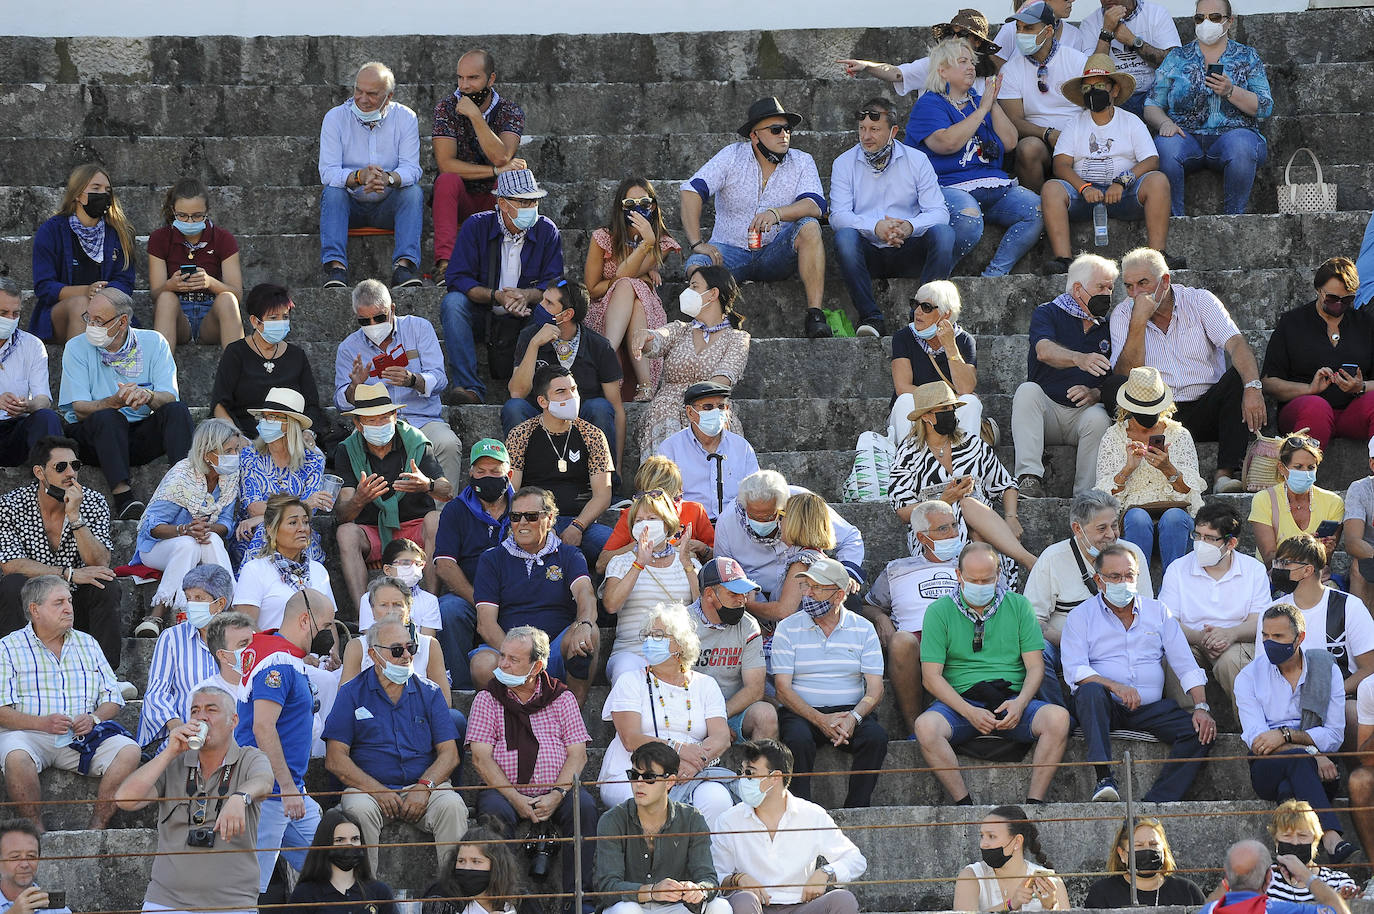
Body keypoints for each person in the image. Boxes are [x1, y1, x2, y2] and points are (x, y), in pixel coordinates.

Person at [1062, 543, 1216, 802]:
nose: (1123, 582)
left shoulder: (1158, 612)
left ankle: (1156, 801)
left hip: (1149, 709)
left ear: (1138, 577)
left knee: (1201, 732)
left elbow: (1185, 663)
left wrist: (1201, 706)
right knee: (1089, 691)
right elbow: (1075, 670)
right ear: (1099, 580)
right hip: (1105, 707)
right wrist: (1115, 686)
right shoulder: (1081, 616)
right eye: (1114, 577)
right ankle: (1103, 778)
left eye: (1129, 575)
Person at [917, 543, 1069, 804]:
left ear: (998, 575)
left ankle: (1034, 803)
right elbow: (931, 677)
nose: (980, 585)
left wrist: (1020, 704)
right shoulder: (938, 611)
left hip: (1011, 700)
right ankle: (963, 804)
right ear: (958, 576)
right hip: (961, 701)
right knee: (925, 727)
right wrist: (968, 711)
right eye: (972, 579)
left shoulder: (1019, 606)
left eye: (986, 579)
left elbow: (1035, 666)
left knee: (1058, 719)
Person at [1109, 246, 1265, 491]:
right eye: (1129, 286)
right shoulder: (1123, 314)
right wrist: (1138, 322)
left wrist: (1254, 387)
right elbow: (1125, 374)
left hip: (1205, 405)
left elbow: (1236, 344)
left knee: (1239, 378)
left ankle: (1224, 474)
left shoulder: (1200, 300)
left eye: (1142, 283)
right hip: (1156, 412)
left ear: (1165, 281)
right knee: (1114, 385)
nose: (1135, 293)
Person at [465, 626, 598, 908]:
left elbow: (578, 754)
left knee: (584, 807)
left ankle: (578, 900)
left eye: (513, 659)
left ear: (536, 666)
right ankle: (505, 900)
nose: (502, 664)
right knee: (494, 816)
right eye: (502, 656)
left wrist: (556, 795)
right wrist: (516, 798)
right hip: (503, 791)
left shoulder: (562, 698)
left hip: (556, 790)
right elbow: (481, 759)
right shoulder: (487, 699)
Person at [324, 616, 468, 874]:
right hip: (368, 789)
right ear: (373, 654)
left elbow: (450, 754)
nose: (406, 656)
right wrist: (377, 790)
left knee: (453, 807)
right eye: (397, 650)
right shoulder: (351, 693)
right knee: (357, 809)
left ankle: (454, 896)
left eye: (410, 648)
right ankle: (365, 896)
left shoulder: (430, 692)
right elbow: (335, 758)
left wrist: (424, 787)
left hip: (422, 785)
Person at [114, 686, 274, 914]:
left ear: (233, 720)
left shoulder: (250, 757)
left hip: (232, 903)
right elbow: (125, 800)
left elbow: (264, 781)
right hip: (166, 900)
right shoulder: (175, 762)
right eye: (195, 711)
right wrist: (169, 752)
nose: (201, 717)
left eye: (211, 710)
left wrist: (239, 797)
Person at [681, 97, 829, 339]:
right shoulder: (732, 156)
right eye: (776, 129)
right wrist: (698, 242)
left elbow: (816, 205)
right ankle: (705, 328)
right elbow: (691, 190)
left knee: (810, 227)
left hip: (776, 252)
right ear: (754, 136)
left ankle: (815, 315)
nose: (784, 135)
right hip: (729, 250)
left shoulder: (802, 160)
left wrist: (777, 213)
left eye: (787, 129)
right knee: (696, 264)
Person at [0, 575, 140, 830]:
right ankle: (36, 833)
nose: (69, 608)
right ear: (35, 610)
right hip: (28, 734)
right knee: (16, 757)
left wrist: (94, 718)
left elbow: (113, 697)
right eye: (59, 602)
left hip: (80, 736)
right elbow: (1, 711)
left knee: (129, 750)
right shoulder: (8, 648)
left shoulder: (88, 643)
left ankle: (97, 826)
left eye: (70, 601)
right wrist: (42, 723)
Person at [906, 41, 1043, 279]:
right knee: (969, 219)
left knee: (1037, 209)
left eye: (972, 62)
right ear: (942, 70)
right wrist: (982, 110)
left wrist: (992, 104)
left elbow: (1010, 142)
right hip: (947, 186)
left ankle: (995, 275)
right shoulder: (929, 103)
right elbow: (946, 143)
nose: (971, 67)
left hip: (992, 184)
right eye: (962, 61)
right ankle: (935, 279)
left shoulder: (980, 101)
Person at [59, 286, 193, 519]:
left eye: (99, 320)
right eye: (88, 318)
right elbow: (79, 408)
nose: (91, 325)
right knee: (109, 416)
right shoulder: (76, 347)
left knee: (177, 411)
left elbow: (170, 396)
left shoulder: (154, 342)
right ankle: (124, 498)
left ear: (122, 322)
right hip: (95, 438)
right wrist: (112, 402)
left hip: (137, 434)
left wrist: (148, 396)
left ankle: (183, 488)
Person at [1235, 604, 1356, 864]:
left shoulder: (1326, 670)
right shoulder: (1248, 677)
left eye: (1278, 637)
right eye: (1265, 636)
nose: (1269, 643)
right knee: (1298, 762)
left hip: (1322, 771)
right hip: (1270, 767)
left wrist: (1286, 736)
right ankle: (1332, 838)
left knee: (1289, 787)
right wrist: (1311, 752)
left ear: (1300, 637)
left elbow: (1334, 735)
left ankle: (1291, 853)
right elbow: (1259, 741)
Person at [237, 587, 336, 893]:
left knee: (333, 870)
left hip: (290, 791)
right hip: (271, 793)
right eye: (328, 624)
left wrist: (294, 789)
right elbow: (263, 727)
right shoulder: (278, 663)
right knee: (247, 889)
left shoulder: (284, 658)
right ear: (306, 620)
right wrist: (288, 787)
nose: (330, 633)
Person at [598, 605, 734, 825]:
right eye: (648, 635)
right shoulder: (630, 681)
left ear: (680, 644)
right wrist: (676, 752)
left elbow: (721, 737)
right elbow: (630, 738)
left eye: (659, 635)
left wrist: (692, 765)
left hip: (691, 771)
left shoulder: (706, 685)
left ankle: (703, 859)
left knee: (716, 800)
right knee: (649, 800)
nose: (651, 640)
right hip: (635, 772)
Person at [888, 382, 1036, 583]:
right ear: (926, 416)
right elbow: (902, 510)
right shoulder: (908, 453)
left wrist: (1011, 517)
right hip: (935, 535)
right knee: (963, 505)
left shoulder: (972, 444)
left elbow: (1006, 484)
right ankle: (1022, 562)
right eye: (944, 409)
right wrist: (944, 501)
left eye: (952, 408)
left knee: (969, 509)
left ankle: (985, 577)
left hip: (984, 527)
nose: (951, 414)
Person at [830, 95, 954, 335]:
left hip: (908, 249)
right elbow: (838, 216)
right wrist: (875, 227)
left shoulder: (917, 160)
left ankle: (922, 315)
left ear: (893, 131)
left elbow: (939, 212)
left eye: (875, 129)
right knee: (844, 238)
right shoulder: (843, 163)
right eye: (862, 129)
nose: (866, 136)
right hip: (868, 252)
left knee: (944, 234)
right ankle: (871, 318)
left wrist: (909, 226)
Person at [441, 167, 564, 405]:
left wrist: (526, 295)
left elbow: (555, 283)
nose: (530, 208)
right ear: (502, 203)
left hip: (527, 314)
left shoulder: (546, 230)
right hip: (483, 312)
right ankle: (468, 386)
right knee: (453, 303)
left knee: (552, 309)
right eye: (522, 202)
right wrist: (496, 296)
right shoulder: (476, 226)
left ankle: (534, 389)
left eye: (534, 201)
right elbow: (456, 278)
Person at [771, 557, 887, 808]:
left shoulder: (863, 629)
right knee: (797, 739)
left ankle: (857, 808)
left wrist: (853, 718)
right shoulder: (787, 628)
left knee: (875, 737)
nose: (808, 594)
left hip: (850, 712)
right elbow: (782, 688)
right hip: (801, 711)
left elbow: (876, 689)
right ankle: (800, 811)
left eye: (817, 588)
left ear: (839, 595)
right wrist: (820, 720)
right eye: (806, 586)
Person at [1040, 55, 1172, 275]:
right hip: (1084, 197)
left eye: (1100, 86)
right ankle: (1063, 259)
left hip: (1125, 195)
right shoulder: (1074, 125)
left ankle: (1157, 256)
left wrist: (1122, 182)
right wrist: (1084, 187)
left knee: (1158, 181)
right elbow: (1061, 165)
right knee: (1051, 188)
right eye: (1087, 88)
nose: (1093, 92)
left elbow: (1152, 160)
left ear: (1115, 90)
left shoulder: (1130, 121)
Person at [1022, 489, 1153, 710]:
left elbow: (1148, 611)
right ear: (1077, 529)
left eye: (1114, 525)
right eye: (1102, 528)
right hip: (1064, 643)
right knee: (1036, 648)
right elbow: (1031, 620)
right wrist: (1072, 643)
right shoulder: (1053, 558)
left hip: (1123, 643)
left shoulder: (1132, 553)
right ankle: (1059, 715)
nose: (1111, 534)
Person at [0, 437, 122, 669]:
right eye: (60, 467)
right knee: (11, 585)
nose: (70, 473)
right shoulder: (9, 505)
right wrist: (69, 574)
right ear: (39, 472)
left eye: (75, 466)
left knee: (105, 584)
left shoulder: (93, 501)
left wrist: (75, 516)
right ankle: (13, 669)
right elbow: (10, 564)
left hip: (74, 604)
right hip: (32, 605)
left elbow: (99, 561)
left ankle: (104, 673)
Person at [470, 487, 599, 701]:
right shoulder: (492, 559)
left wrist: (585, 624)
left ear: (549, 519)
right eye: (515, 516)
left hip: (555, 649)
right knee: (482, 665)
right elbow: (485, 623)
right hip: (507, 648)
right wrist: (518, 657)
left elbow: (585, 593)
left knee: (589, 633)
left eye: (530, 516)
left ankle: (572, 722)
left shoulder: (569, 554)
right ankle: (507, 728)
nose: (521, 523)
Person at [711, 739, 868, 914]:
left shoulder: (812, 815)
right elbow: (714, 875)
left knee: (843, 900)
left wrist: (826, 873)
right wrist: (737, 879)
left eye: (750, 773)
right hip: (755, 907)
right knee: (742, 900)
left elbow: (856, 860)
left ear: (775, 778)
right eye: (741, 771)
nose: (742, 779)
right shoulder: (729, 819)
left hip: (802, 907)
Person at [1145, 0, 1272, 215]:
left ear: (1229, 22)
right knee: (1164, 147)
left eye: (1214, 18)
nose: (1206, 23)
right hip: (1185, 136)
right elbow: (1152, 105)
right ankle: (1176, 221)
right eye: (1199, 18)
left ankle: (1233, 219)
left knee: (1241, 147)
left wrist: (1231, 91)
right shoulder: (1177, 58)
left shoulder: (1247, 56)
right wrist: (1165, 123)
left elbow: (1265, 106)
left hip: (1233, 135)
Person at [334, 382, 449, 610]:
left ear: (396, 416)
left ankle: (430, 604)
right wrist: (360, 499)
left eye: (384, 417)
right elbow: (343, 514)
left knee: (435, 519)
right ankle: (363, 614)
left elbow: (447, 491)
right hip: (373, 530)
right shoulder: (346, 450)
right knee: (346, 533)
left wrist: (428, 485)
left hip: (415, 527)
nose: (379, 424)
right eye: (371, 420)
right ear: (358, 423)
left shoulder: (417, 442)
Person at [337, 278, 461, 486]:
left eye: (379, 317)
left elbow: (439, 379)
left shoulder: (419, 328)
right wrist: (354, 387)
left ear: (392, 309)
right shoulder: (349, 347)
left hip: (422, 419)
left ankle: (443, 516)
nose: (373, 325)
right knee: (352, 450)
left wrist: (413, 380)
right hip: (375, 423)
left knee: (447, 444)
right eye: (364, 321)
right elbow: (342, 402)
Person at [1013, 254, 1117, 497]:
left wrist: (1096, 393)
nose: (1108, 294)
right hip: (1046, 412)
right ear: (1078, 288)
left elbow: (1118, 372)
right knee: (1026, 391)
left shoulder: (1109, 326)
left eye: (1111, 288)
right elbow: (1043, 350)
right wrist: (1080, 359)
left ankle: (1087, 495)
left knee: (1100, 417)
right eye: (1101, 287)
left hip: (1083, 415)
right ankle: (1029, 477)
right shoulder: (1048, 312)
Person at [862, 500, 965, 737]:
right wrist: (881, 619)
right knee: (900, 641)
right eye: (942, 529)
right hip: (916, 638)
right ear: (921, 538)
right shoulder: (897, 569)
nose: (952, 533)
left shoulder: (971, 561)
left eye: (953, 525)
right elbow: (868, 605)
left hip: (964, 633)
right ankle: (914, 729)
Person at [318, 61, 422, 289]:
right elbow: (327, 171)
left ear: (389, 96)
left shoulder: (406, 118)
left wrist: (388, 178)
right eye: (358, 91)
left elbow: (412, 168)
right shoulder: (335, 118)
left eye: (372, 94)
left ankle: (404, 268)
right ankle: (336, 269)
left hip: (388, 204)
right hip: (349, 204)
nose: (362, 99)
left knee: (413, 192)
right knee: (333, 193)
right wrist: (359, 177)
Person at [130, 418, 243, 628]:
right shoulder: (182, 475)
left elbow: (227, 522)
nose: (235, 456)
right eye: (229, 451)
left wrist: (207, 528)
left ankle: (232, 607)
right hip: (156, 547)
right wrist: (185, 529)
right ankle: (161, 610)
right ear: (208, 453)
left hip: (200, 542)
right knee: (187, 543)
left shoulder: (229, 476)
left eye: (237, 449)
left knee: (213, 539)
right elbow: (151, 526)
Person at [595, 741, 730, 914]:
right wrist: (651, 891)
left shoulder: (691, 818)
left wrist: (699, 890)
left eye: (649, 777)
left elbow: (709, 878)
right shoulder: (612, 820)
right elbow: (607, 887)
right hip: (632, 904)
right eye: (634, 775)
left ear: (670, 782)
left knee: (720, 907)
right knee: (626, 911)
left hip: (676, 906)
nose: (639, 783)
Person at [1158, 500, 1269, 708]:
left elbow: (1259, 621)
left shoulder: (1254, 570)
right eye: (1197, 536)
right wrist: (1201, 638)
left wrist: (1230, 634)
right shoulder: (1177, 569)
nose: (1201, 543)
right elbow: (1168, 620)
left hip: (1237, 641)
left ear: (1231, 543)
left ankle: (1252, 727)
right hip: (1191, 639)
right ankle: (1191, 725)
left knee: (1232, 661)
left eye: (1210, 538)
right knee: (1175, 656)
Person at [632, 267, 751, 459]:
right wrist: (646, 335)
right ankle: (664, 485)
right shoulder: (681, 330)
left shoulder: (737, 339)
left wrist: (697, 403)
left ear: (713, 293)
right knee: (663, 410)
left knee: (712, 417)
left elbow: (724, 378)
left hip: (709, 406)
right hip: (667, 407)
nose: (687, 292)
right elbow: (659, 339)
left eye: (694, 286)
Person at [714, 470, 866, 620]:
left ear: (788, 515)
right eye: (753, 516)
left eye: (770, 516)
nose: (761, 522)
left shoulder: (800, 503)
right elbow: (723, 571)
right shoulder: (728, 521)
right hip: (760, 596)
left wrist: (844, 576)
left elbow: (783, 611)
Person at [1266, 535, 1374, 746]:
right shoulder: (1273, 611)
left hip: (1342, 694)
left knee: (1353, 715)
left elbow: (1369, 668)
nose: (1277, 568)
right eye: (1277, 562)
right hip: (1287, 698)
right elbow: (1264, 669)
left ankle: (1356, 775)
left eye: (1285, 563)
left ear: (1307, 570)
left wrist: (1331, 691)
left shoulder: (1348, 607)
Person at [1095, 366, 1204, 571]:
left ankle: (1173, 589)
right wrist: (1127, 469)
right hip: (1132, 519)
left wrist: (1168, 468)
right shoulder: (1113, 436)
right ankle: (1138, 588)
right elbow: (1103, 498)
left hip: (1175, 514)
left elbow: (1192, 494)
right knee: (1137, 518)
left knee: (1175, 517)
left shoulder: (1179, 434)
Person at [506, 278, 624, 468]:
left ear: (567, 314)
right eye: (543, 300)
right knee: (514, 407)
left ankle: (608, 481)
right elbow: (517, 392)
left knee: (601, 407)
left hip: (582, 421)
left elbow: (616, 408)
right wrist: (535, 344)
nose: (541, 306)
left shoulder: (599, 346)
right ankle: (518, 482)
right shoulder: (529, 335)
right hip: (540, 417)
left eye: (549, 303)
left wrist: (617, 467)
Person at [431, 48, 526, 277]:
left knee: (508, 179)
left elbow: (502, 156)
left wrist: (475, 116)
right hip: (460, 198)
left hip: (493, 197)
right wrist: (494, 170)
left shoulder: (509, 111)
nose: (464, 85)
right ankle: (445, 264)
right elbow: (446, 164)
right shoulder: (445, 109)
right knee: (446, 181)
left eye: (473, 78)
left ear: (490, 79)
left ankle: (503, 263)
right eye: (460, 77)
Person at [506, 366, 614, 567]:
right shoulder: (521, 434)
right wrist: (540, 524)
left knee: (615, 548)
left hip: (582, 521)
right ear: (542, 401)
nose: (572, 396)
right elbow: (512, 492)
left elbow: (603, 494)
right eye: (561, 391)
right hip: (533, 519)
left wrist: (578, 526)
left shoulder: (593, 435)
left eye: (573, 389)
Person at [1262, 258, 1374, 450]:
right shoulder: (1292, 323)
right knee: (1316, 407)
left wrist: (1360, 387)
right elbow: (1268, 382)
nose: (1339, 304)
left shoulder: (1366, 324)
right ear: (1318, 290)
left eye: (1346, 300)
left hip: (1352, 411)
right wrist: (1309, 389)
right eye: (1332, 298)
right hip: (1305, 410)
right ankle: (1300, 477)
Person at [584, 177, 681, 397]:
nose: (637, 209)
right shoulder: (603, 237)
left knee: (633, 292)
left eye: (644, 203)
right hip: (604, 312)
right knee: (629, 284)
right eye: (630, 204)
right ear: (620, 207)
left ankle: (641, 382)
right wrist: (645, 250)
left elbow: (623, 275)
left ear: (653, 206)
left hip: (645, 312)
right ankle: (610, 355)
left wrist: (649, 242)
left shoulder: (662, 242)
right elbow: (592, 288)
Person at [435, 439, 512, 690]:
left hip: (515, 593)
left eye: (494, 471)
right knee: (448, 610)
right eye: (480, 471)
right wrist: (480, 602)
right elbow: (445, 564)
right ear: (470, 473)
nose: (487, 477)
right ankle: (462, 688)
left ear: (508, 474)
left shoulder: (524, 507)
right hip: (470, 596)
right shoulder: (455, 510)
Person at [30, 163, 135, 342]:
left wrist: (102, 293)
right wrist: (86, 291)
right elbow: (44, 286)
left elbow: (125, 282)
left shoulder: (119, 233)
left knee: (108, 312)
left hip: (108, 310)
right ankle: (77, 369)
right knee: (82, 304)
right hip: (61, 314)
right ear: (78, 194)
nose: (103, 194)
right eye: (96, 188)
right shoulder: (51, 231)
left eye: (107, 190)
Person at [603, 491, 700, 682]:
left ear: (667, 522)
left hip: (678, 654)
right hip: (632, 652)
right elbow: (611, 605)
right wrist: (639, 564)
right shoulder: (620, 562)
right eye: (638, 520)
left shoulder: (689, 563)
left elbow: (703, 610)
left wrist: (687, 563)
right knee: (628, 677)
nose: (644, 524)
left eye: (652, 518)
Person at [211, 283, 329, 440]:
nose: (281, 322)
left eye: (285, 317)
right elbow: (219, 404)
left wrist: (308, 433)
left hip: (291, 438)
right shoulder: (236, 353)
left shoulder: (297, 355)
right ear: (255, 321)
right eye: (273, 318)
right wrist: (237, 438)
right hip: (246, 437)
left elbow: (312, 405)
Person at [137, 565, 235, 750]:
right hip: (183, 738)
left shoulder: (241, 640)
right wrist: (178, 728)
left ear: (220, 604)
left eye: (199, 598)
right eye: (188, 598)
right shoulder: (172, 638)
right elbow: (156, 694)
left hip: (230, 737)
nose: (191, 604)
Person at [998, 2, 1091, 194]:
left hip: (1077, 138)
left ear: (1048, 31)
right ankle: (1038, 209)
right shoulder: (1010, 70)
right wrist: (1048, 133)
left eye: (1029, 28)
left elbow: (1092, 108)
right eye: (1018, 28)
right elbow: (1014, 120)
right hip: (1038, 140)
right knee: (1027, 149)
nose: (1021, 33)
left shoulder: (1077, 61)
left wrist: (1070, 136)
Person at [147, 177, 244, 353]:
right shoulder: (160, 238)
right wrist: (171, 285)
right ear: (173, 211)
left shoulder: (223, 238)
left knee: (228, 299)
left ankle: (240, 376)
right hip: (177, 314)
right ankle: (161, 377)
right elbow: (155, 295)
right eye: (182, 215)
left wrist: (210, 283)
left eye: (197, 216)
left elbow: (237, 294)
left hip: (211, 314)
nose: (190, 222)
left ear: (207, 212)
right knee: (166, 298)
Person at [234, 387, 329, 565]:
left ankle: (302, 591)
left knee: (295, 535)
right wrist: (302, 504)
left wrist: (266, 514)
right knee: (265, 532)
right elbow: (253, 507)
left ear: (290, 423)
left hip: (298, 529)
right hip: (251, 530)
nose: (265, 422)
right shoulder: (250, 455)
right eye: (264, 417)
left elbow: (309, 512)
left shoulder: (314, 459)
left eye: (273, 417)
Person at [689, 557, 776, 741]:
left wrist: (718, 718)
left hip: (730, 709)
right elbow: (671, 684)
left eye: (744, 593)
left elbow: (755, 688)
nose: (742, 600)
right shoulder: (680, 624)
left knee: (766, 715)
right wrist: (705, 721)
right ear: (710, 593)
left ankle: (757, 769)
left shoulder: (748, 626)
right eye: (734, 593)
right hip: (688, 712)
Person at [889, 281, 986, 443]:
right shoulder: (903, 337)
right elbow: (902, 387)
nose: (917, 312)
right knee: (905, 400)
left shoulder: (964, 340)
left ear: (945, 314)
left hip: (948, 416)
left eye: (926, 307)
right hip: (916, 411)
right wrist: (943, 402)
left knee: (971, 402)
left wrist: (950, 345)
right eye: (915, 304)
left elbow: (966, 389)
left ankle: (964, 462)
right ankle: (909, 460)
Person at [837, 10, 1000, 101]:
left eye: (963, 34)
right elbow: (897, 73)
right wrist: (866, 66)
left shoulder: (988, 77)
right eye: (952, 33)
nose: (955, 39)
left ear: (978, 41)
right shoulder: (934, 64)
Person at [655, 382, 760, 521]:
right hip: (689, 526)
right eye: (708, 407)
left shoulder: (742, 447)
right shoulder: (670, 449)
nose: (716, 412)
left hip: (735, 524)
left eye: (721, 407)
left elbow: (756, 492)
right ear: (690, 412)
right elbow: (661, 499)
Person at [597, 455, 715, 574]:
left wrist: (702, 548)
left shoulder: (694, 510)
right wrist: (639, 544)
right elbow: (601, 565)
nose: (659, 503)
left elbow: (718, 560)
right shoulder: (632, 515)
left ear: (678, 491)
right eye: (650, 496)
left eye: (667, 498)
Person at [233, 494, 333, 631]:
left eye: (305, 522)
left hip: (314, 652)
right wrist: (280, 649)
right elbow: (245, 627)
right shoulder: (255, 570)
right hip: (271, 651)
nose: (302, 528)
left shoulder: (319, 571)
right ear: (271, 529)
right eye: (293, 523)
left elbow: (329, 625)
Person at [952, 806, 1069, 911]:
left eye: (991, 836)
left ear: (1017, 841)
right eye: (982, 836)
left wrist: (1052, 907)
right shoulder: (971, 876)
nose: (983, 844)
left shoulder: (1051, 882)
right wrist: (1010, 905)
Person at [1250, 438, 1345, 568]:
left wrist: (1327, 550)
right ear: (1282, 468)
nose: (1305, 473)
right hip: (1277, 577)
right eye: (1298, 467)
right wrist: (1306, 548)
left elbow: (1325, 561)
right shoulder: (1264, 500)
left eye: (1311, 467)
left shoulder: (1333, 502)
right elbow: (1269, 558)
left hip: (1316, 578)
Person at [285, 809, 398, 914]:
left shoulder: (379, 892)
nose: (349, 845)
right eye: (339, 840)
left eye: (355, 839)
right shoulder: (305, 894)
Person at [1079, 0, 1181, 116]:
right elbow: (1092, 74)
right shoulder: (1090, 23)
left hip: (1155, 94)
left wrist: (1134, 41)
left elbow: (1175, 63)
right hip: (1115, 96)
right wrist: (1106, 32)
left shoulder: (1156, 13)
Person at [0, 279, 62, 467]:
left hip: (15, 429)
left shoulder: (32, 345)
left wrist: (28, 405)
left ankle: (53, 488)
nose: (10, 319)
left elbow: (44, 400)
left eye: (15, 313)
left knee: (47, 418)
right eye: (3, 313)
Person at [1200, 841, 1351, 914]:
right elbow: (1340, 911)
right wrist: (1306, 875)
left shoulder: (1208, 910)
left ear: (1227, 876)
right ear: (1268, 878)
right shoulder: (1280, 910)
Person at [1084, 818, 1205, 908]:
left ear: (1163, 849)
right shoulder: (1102, 893)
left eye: (1153, 844)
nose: (1147, 850)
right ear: (1122, 854)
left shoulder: (1188, 891)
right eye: (1138, 845)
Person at [1266, 801, 1359, 902]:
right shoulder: (1263, 878)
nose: (1295, 842)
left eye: (1302, 835)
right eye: (1287, 836)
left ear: (1315, 840)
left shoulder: (1338, 881)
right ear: (1276, 841)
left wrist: (1342, 902)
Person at [421, 825, 522, 914]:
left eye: (476, 861)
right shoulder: (442, 899)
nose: (466, 867)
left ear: (496, 866)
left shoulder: (520, 901)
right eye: (461, 861)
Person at [356, 539, 441, 633]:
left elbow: (427, 642)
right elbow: (370, 638)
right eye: (405, 563)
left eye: (418, 564)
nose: (413, 568)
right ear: (387, 569)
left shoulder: (429, 600)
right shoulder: (369, 598)